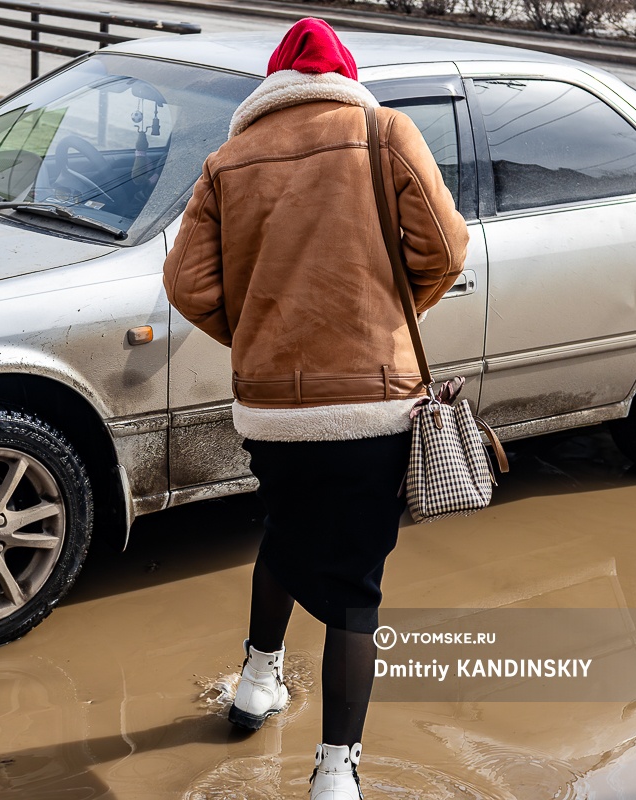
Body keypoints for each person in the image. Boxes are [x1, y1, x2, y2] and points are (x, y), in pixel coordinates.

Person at [163, 18, 468, 799]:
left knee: (286, 533)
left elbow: (186, 285)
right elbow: (445, 247)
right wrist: (397, 316)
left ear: (275, 84)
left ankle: (256, 683)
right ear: (343, 74)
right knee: (356, 588)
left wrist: (264, 338)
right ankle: (337, 770)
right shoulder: (384, 132)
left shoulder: (228, 159)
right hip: (372, 407)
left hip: (272, 415)